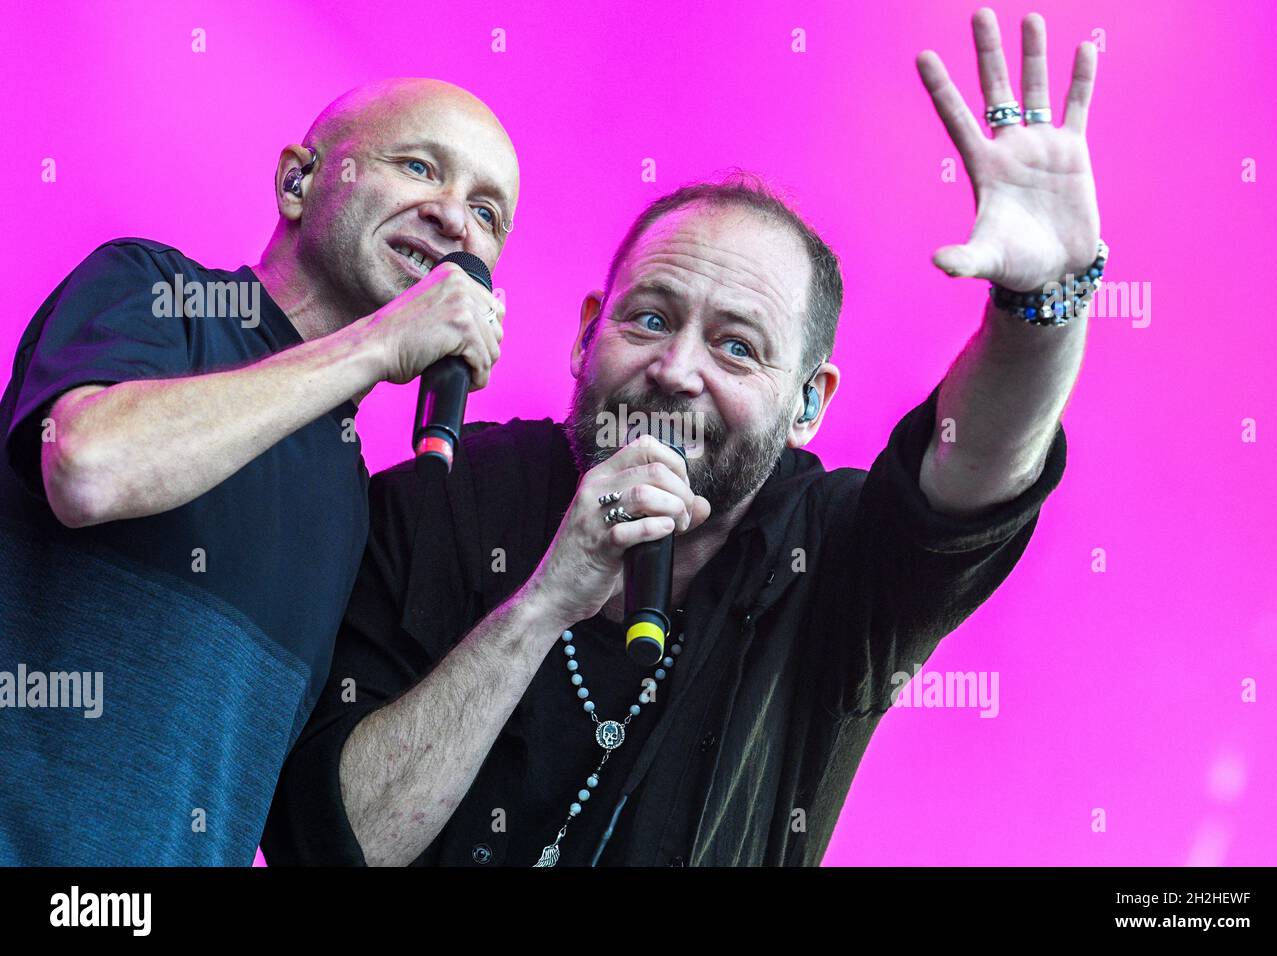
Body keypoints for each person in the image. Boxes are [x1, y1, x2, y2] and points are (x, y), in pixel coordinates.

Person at [261, 10, 1099, 866]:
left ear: (809, 404)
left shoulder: (830, 556)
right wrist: (545, 601)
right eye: (651, 319)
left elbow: (976, 471)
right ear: (587, 333)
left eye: (737, 347)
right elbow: (339, 842)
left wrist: (1043, 303)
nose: (676, 369)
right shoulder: (436, 502)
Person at [0, 77, 518, 865]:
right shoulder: (158, 293)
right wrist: (377, 346)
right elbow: (87, 467)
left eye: (486, 213)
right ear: (298, 181)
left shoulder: (352, 500)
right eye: (418, 167)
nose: (453, 217)